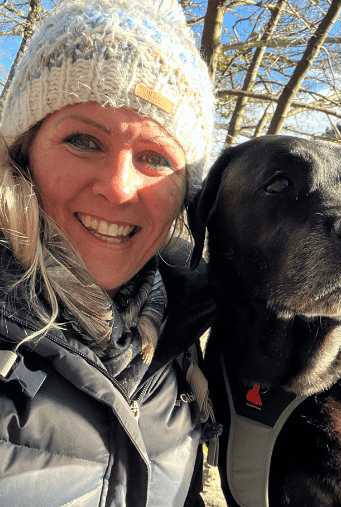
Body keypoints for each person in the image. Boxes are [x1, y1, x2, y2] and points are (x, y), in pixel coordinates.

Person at [0, 1, 216, 505]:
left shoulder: (179, 329)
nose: (118, 188)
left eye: (155, 158)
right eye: (82, 140)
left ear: (187, 189)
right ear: (23, 149)